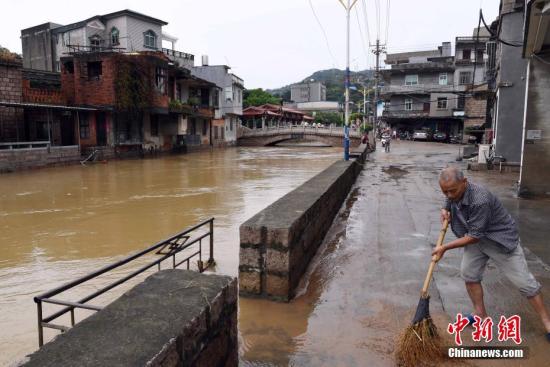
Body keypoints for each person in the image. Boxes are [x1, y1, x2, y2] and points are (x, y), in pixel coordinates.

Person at [432, 167, 550, 341]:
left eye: (452, 191)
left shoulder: (481, 199)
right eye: (445, 191)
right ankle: (480, 315)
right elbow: (450, 199)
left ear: (465, 182)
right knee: (469, 274)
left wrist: (444, 248)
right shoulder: (454, 192)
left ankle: (547, 321)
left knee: (525, 283)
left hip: (500, 241)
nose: (449, 195)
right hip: (477, 239)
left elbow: (474, 236)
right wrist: (445, 208)